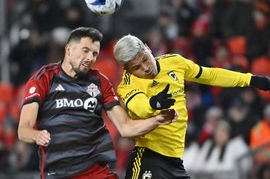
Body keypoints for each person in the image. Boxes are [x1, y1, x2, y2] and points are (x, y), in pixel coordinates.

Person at [17, 27, 177, 179]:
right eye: (85, 51)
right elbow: (23, 130)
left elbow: (126, 128)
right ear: (68, 50)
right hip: (59, 173)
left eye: (94, 54)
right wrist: (36, 135)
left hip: (96, 172)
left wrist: (157, 119)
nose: (90, 58)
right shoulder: (44, 78)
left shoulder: (100, 81)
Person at [113, 34, 270, 179]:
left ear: (148, 48)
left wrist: (250, 79)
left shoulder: (174, 62)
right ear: (126, 69)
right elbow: (137, 104)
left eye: (144, 59)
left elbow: (210, 75)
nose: (146, 68)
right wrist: (153, 103)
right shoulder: (127, 84)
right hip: (148, 159)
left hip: (175, 162)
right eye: (136, 68)